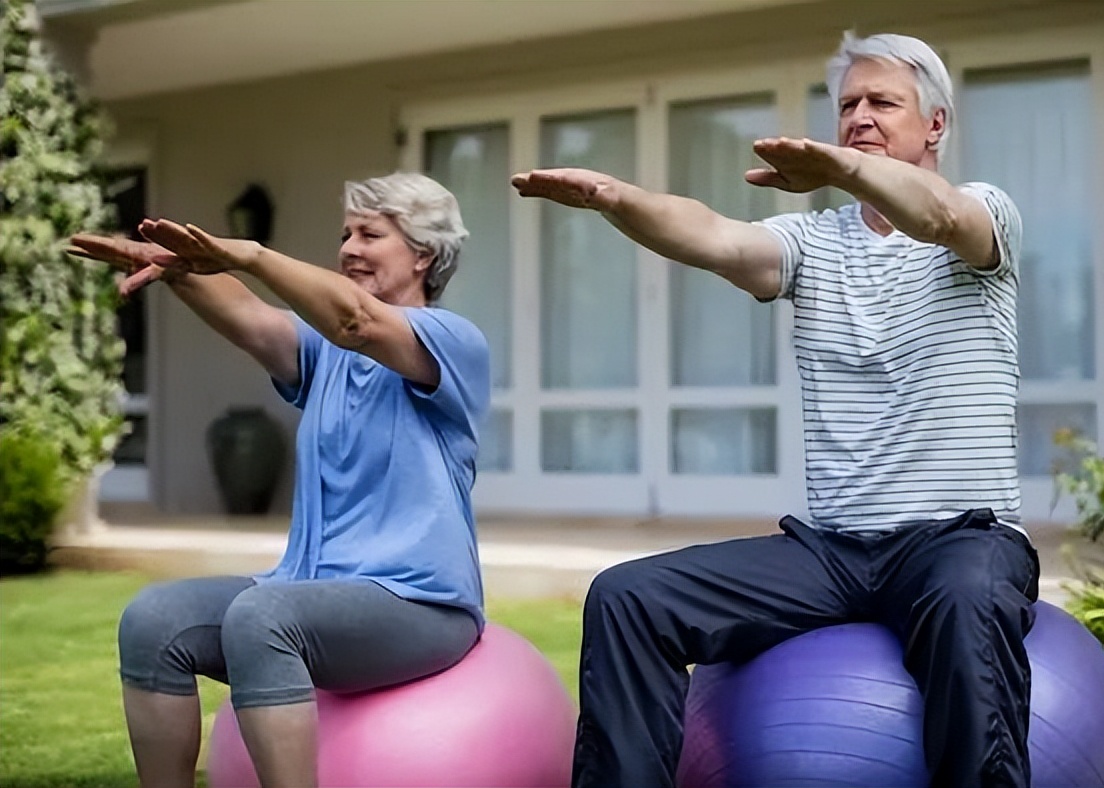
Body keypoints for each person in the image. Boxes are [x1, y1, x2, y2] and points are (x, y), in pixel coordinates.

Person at [512, 31, 1038, 788]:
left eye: (882, 102)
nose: (859, 115)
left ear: (935, 124)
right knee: (628, 598)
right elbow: (713, 238)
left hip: (960, 540)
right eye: (848, 104)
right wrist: (614, 199)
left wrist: (845, 167)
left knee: (966, 601)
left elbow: (941, 218)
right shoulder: (813, 242)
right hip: (836, 552)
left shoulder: (984, 214)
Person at [67, 173, 490, 788]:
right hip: (310, 590)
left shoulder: (452, 342)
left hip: (422, 606)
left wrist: (251, 254)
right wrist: (175, 269)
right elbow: (253, 319)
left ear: (424, 255)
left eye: (370, 234)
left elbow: (356, 322)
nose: (349, 248)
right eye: (345, 234)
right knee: (153, 618)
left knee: (263, 616)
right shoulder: (327, 354)